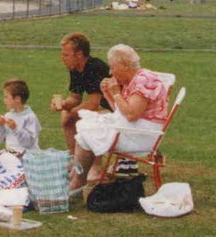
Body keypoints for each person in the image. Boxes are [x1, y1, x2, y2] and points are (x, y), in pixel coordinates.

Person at [69, 44, 171, 192]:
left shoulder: (145, 81)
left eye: (112, 67)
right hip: (134, 129)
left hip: (142, 135)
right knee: (85, 131)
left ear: (125, 65)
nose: (110, 72)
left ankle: (78, 181)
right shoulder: (134, 80)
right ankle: (77, 178)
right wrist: (108, 94)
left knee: (86, 133)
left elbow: (131, 115)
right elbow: (120, 111)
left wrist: (116, 93)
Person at [49, 33, 110, 154]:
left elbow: (93, 103)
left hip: (115, 110)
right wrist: (63, 104)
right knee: (66, 114)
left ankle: (91, 162)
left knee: (85, 120)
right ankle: (74, 156)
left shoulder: (95, 67)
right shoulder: (75, 68)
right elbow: (75, 98)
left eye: (66, 55)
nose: (62, 58)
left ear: (79, 55)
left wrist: (72, 113)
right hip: (101, 108)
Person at [0, 79, 41, 155]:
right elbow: (1, 139)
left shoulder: (30, 117)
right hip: (10, 153)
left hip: (27, 155)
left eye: (6, 97)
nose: (4, 100)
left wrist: (16, 128)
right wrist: (0, 126)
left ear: (17, 99)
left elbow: (29, 143)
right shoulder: (8, 115)